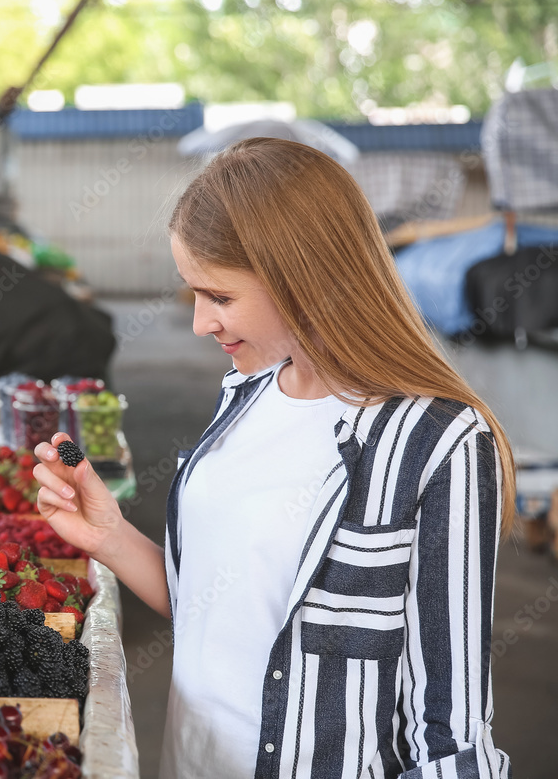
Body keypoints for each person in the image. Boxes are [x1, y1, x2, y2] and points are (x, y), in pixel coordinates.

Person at [33, 137, 513, 779]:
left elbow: (452, 727)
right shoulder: (246, 396)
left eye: (220, 297)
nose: (201, 323)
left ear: (303, 278)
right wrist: (110, 536)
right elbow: (213, 604)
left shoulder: (435, 442)